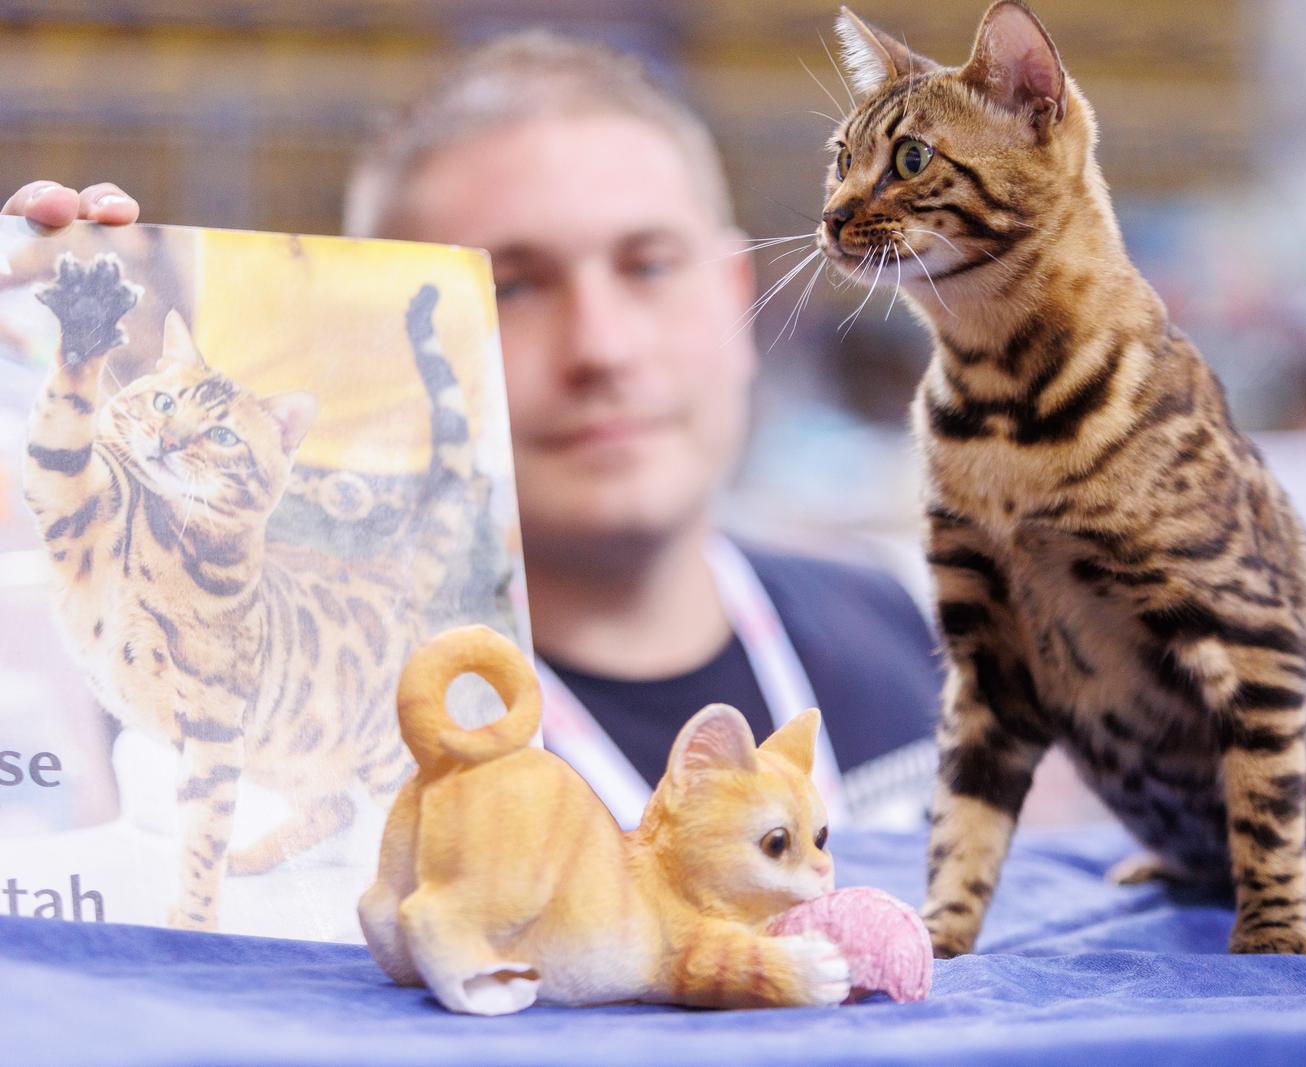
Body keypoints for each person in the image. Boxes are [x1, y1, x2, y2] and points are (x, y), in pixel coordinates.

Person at [2, 31, 939, 828]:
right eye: (514, 287)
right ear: (387, 350)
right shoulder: (267, 732)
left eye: (648, 265)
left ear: (736, 297)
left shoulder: (912, 638)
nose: (601, 348)